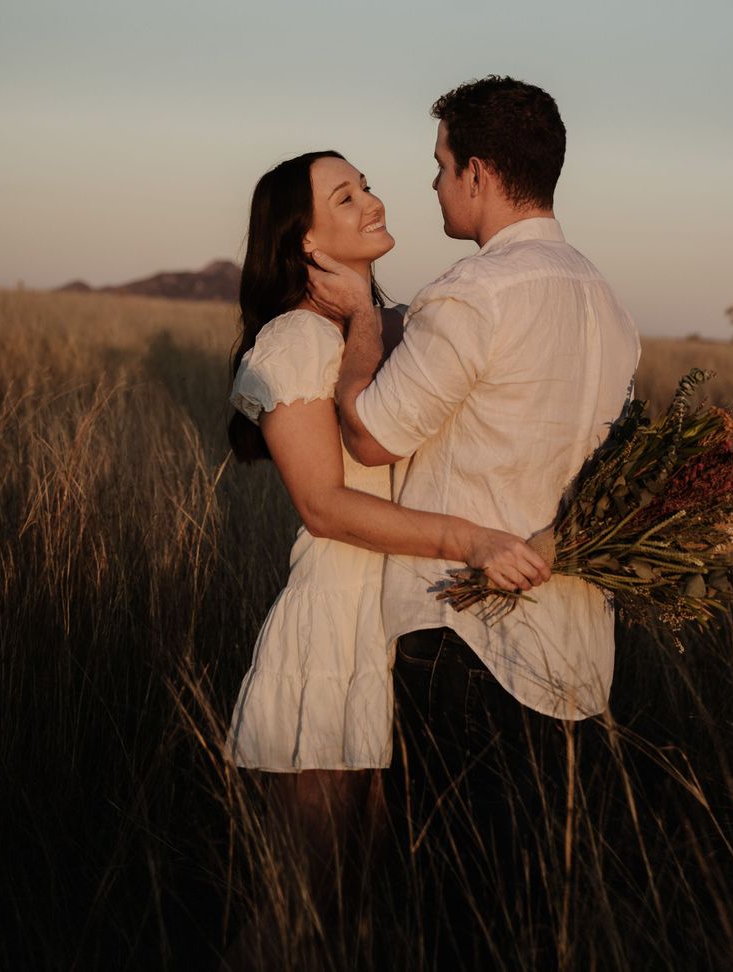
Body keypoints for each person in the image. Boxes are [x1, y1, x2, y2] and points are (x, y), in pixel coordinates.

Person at [305, 76, 641, 951]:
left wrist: (361, 343)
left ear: (481, 174)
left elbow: (373, 436)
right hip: (573, 653)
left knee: (451, 907)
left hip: (465, 639)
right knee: (530, 907)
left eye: (442, 164)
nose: (433, 183)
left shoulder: (476, 292)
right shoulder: (609, 305)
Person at [223, 148, 549, 924]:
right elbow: (325, 507)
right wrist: (471, 541)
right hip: (335, 628)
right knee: (298, 919)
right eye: (345, 197)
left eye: (365, 185)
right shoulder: (298, 341)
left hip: (396, 630)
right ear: (304, 240)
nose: (372, 201)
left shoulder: (385, 325)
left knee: (360, 915)